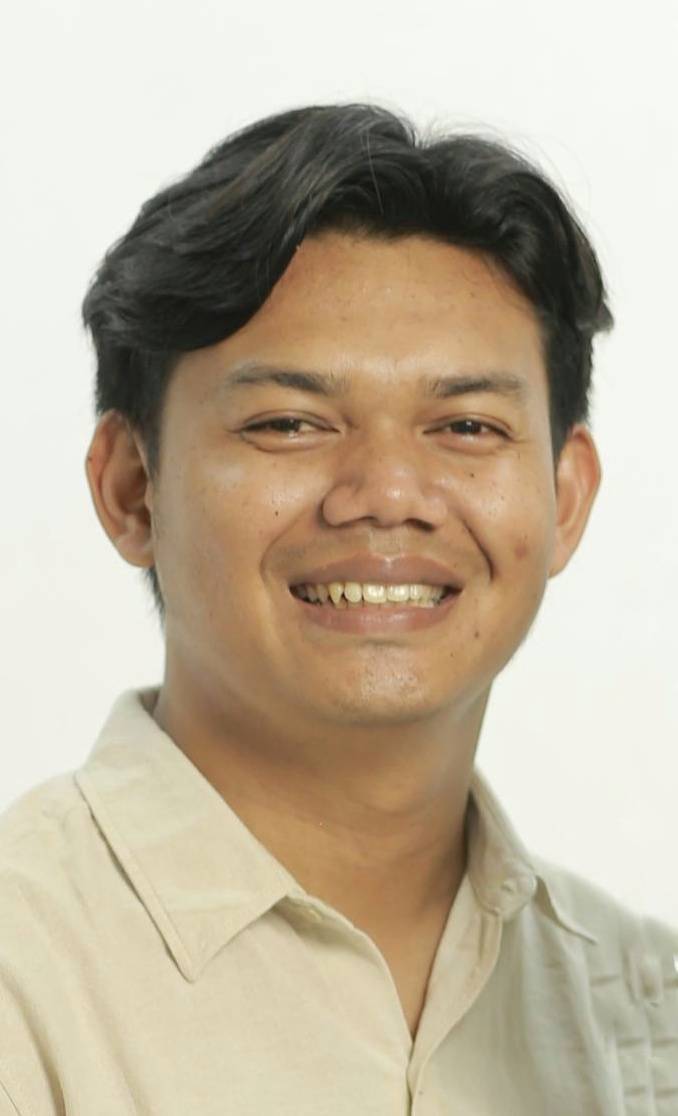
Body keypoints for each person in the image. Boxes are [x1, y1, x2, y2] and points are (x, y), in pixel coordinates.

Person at [1, 102, 676, 1115]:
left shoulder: (646, 1016)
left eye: (466, 426)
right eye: (289, 422)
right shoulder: (25, 979)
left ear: (565, 498)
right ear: (133, 489)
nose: (387, 493)